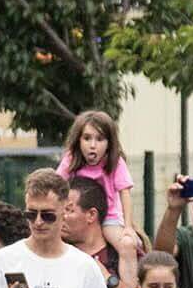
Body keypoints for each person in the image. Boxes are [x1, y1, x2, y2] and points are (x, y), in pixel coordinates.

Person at [56, 109, 136, 254]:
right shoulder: (71, 159)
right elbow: (56, 185)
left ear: (109, 143)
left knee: (127, 246)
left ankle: (129, 277)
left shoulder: (115, 162)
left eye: (99, 139)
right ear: (78, 140)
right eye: (87, 138)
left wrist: (128, 227)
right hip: (76, 218)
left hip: (108, 218)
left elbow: (125, 193)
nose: (92, 145)